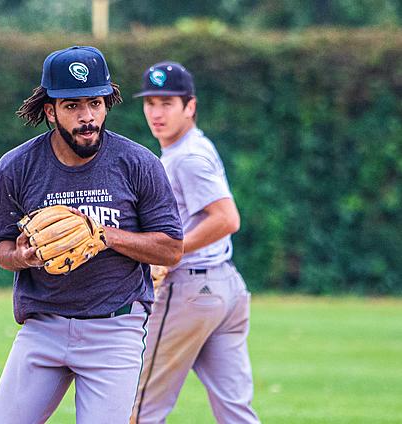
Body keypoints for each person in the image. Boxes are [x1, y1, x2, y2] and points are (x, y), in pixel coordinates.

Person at [0, 46, 184, 424]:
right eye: (72, 105)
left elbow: (171, 249)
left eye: (95, 102)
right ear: (50, 110)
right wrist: (22, 257)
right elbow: (1, 247)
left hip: (114, 328)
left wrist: (103, 235)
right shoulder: (16, 167)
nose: (87, 117)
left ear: (107, 103)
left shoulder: (138, 163)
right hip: (43, 327)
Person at [130, 62, 260, 424]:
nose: (156, 113)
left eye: (167, 103)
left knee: (138, 409)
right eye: (150, 102)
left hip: (189, 289)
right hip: (225, 288)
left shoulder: (188, 158)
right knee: (236, 412)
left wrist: (168, 251)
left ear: (190, 107)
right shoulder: (194, 146)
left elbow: (226, 218)